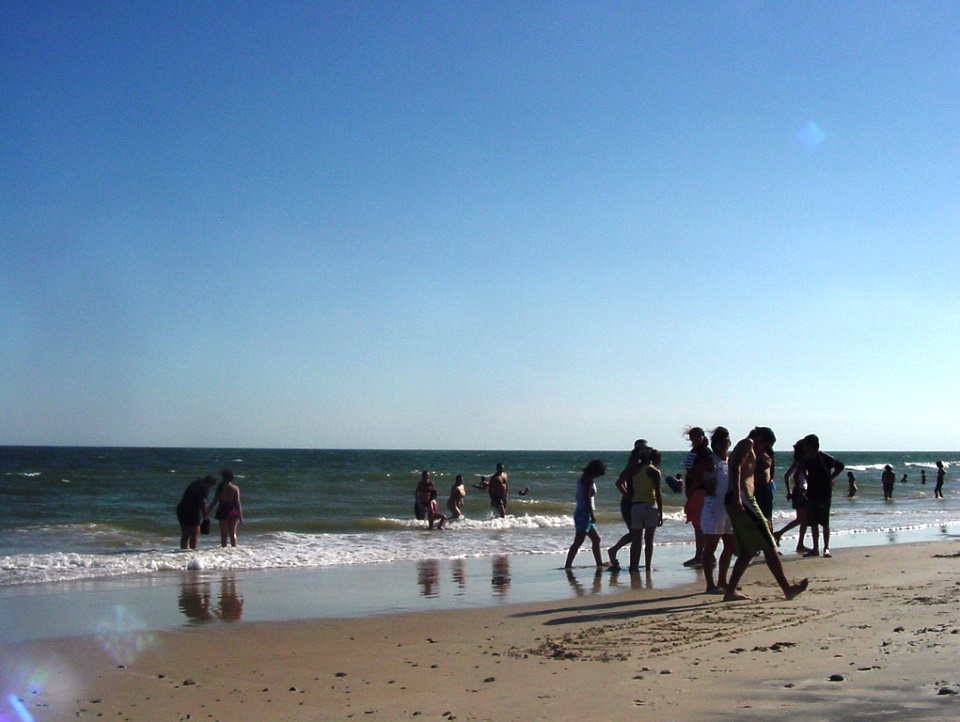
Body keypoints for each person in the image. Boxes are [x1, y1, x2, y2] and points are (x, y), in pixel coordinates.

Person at [724, 427, 808, 602]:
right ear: (761, 438)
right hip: (742, 497)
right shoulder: (747, 443)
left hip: (744, 498)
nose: (764, 450)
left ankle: (730, 591)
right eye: (766, 445)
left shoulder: (749, 448)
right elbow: (735, 466)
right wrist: (737, 495)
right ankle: (787, 589)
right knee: (768, 543)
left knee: (748, 549)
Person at [700, 427, 735, 594]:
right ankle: (710, 584)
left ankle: (723, 580)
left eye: (725, 441)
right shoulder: (711, 460)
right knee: (711, 547)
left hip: (728, 508)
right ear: (714, 444)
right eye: (719, 442)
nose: (723, 445)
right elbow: (693, 473)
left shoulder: (729, 461)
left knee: (730, 545)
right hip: (713, 506)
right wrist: (706, 484)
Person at [607, 439, 651, 569]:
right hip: (630, 502)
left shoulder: (643, 463)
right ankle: (614, 551)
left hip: (637, 501)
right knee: (635, 533)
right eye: (643, 449)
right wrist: (628, 495)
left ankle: (620, 554)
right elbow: (620, 482)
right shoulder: (635, 463)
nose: (645, 451)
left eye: (646, 449)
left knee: (636, 534)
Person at [798, 434, 845, 558]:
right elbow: (802, 468)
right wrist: (807, 478)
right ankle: (815, 548)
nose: (805, 447)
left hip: (824, 493)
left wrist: (830, 478)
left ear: (812, 445)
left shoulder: (825, 458)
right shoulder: (807, 460)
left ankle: (826, 548)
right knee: (813, 522)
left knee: (824, 522)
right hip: (812, 493)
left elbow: (840, 466)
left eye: (806, 445)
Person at [563, 459, 607, 568]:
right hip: (584, 513)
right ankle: (568, 565)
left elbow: (578, 496)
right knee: (578, 541)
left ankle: (599, 563)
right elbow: (587, 498)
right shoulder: (587, 480)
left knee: (596, 539)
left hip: (582, 511)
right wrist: (591, 514)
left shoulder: (584, 478)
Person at [629, 449, 664, 572]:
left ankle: (633, 566)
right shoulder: (654, 471)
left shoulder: (635, 470)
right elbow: (658, 493)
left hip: (636, 506)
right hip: (649, 505)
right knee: (649, 540)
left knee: (636, 540)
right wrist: (661, 512)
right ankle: (648, 566)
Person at [682, 427, 712, 567]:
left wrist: (692, 489)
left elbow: (700, 474)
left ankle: (702, 555)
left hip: (700, 490)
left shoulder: (704, 452)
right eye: (693, 436)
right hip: (694, 491)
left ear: (702, 437)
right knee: (698, 524)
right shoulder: (694, 452)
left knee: (700, 525)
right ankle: (705, 555)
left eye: (697, 436)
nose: (695, 439)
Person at [774, 441, 810, 553]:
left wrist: (789, 491)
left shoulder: (797, 461)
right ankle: (797, 543)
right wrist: (797, 490)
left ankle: (796, 542)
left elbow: (786, 476)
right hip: (801, 490)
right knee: (802, 519)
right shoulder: (803, 461)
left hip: (797, 490)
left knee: (801, 519)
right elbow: (794, 476)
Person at [176, 475, 216, 550]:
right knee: (194, 533)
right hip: (192, 510)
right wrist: (205, 515)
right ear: (210, 484)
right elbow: (202, 502)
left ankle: (183, 551)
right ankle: (192, 551)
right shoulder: (205, 487)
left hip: (181, 509)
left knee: (185, 534)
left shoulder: (194, 484)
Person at [209, 469, 243, 547]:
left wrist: (208, 511)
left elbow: (215, 501)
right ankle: (234, 548)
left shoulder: (220, 487)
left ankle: (224, 548)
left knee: (224, 533)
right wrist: (240, 516)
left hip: (222, 510)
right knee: (232, 532)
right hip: (232, 510)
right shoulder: (235, 488)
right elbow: (237, 503)